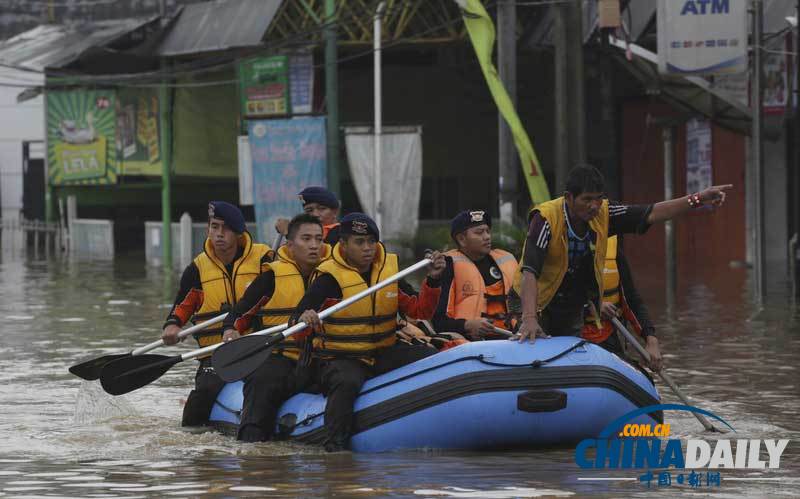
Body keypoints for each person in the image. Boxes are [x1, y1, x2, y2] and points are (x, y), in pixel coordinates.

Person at [516, 164, 731, 344]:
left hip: (570, 305)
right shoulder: (545, 219)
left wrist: (698, 199)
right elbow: (530, 271)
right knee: (532, 348)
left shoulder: (605, 212)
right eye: (587, 199)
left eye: (598, 198)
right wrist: (529, 317)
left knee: (565, 355)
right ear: (569, 198)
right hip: (532, 302)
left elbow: (651, 212)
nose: (594, 206)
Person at [293, 212, 446, 451]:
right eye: (359, 242)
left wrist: (434, 281)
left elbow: (420, 310)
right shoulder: (328, 279)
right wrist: (305, 317)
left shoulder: (389, 273)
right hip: (340, 357)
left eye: (371, 242)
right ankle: (335, 448)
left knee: (429, 358)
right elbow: (297, 322)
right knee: (347, 381)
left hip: (382, 351)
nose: (368, 248)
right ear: (343, 245)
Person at [161, 201, 274, 427]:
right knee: (205, 391)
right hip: (217, 355)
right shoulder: (197, 269)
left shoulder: (264, 259)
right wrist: (173, 325)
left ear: (239, 232)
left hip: (257, 347)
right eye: (214, 227)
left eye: (226, 228)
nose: (219, 234)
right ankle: (193, 440)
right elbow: (182, 305)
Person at [220, 213, 330, 442]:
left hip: (324, 358)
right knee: (262, 382)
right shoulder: (272, 277)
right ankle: (252, 445)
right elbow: (239, 313)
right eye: (306, 239)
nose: (314, 245)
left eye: (319, 239)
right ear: (290, 245)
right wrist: (231, 329)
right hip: (281, 357)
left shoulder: (335, 275)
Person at [433, 210, 519, 340]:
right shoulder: (447, 266)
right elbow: (439, 322)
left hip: (512, 339)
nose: (487, 237)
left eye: (488, 231)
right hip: (472, 343)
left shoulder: (507, 259)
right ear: (461, 239)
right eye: (479, 233)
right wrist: (467, 325)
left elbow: (527, 306)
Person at [581, 235, 662, 371]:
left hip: (604, 336)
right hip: (568, 337)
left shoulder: (613, 246)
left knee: (641, 375)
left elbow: (631, 299)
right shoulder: (560, 241)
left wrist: (651, 339)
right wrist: (592, 306)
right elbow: (554, 298)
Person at [276, 186, 341, 244]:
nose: (315, 214)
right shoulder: (302, 232)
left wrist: (288, 233)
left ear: (335, 212)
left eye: (322, 209)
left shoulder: (343, 233)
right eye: (309, 210)